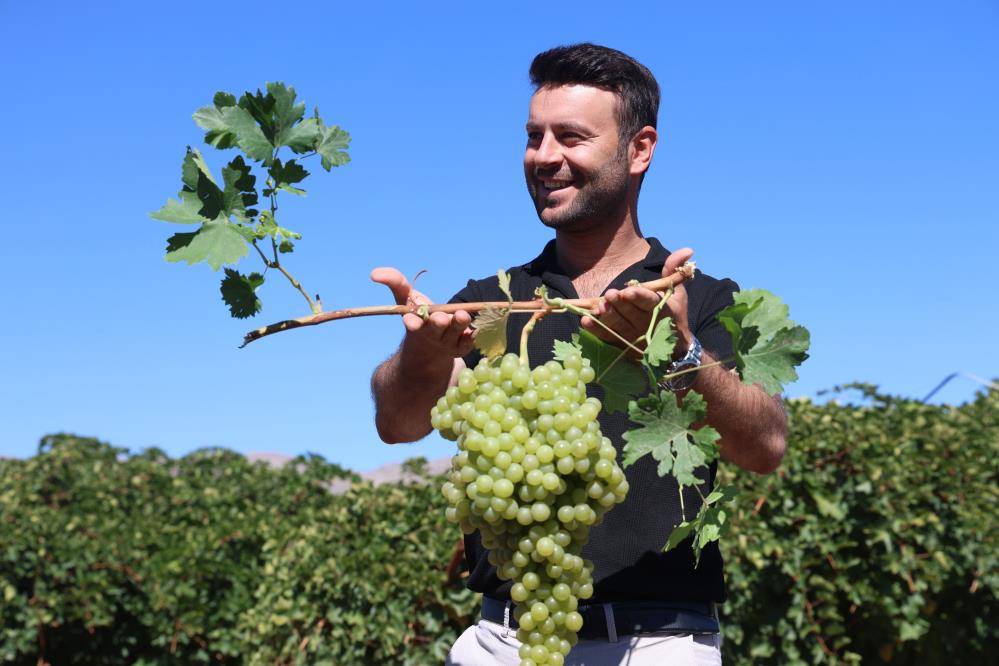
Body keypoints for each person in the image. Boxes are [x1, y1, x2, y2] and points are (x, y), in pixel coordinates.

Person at [370, 43, 787, 666]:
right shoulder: (497, 303)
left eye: (570, 137)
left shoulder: (699, 299)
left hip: (660, 644)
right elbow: (396, 423)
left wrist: (682, 353)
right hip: (505, 641)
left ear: (639, 149)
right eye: (534, 136)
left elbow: (766, 446)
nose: (544, 157)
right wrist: (420, 354)